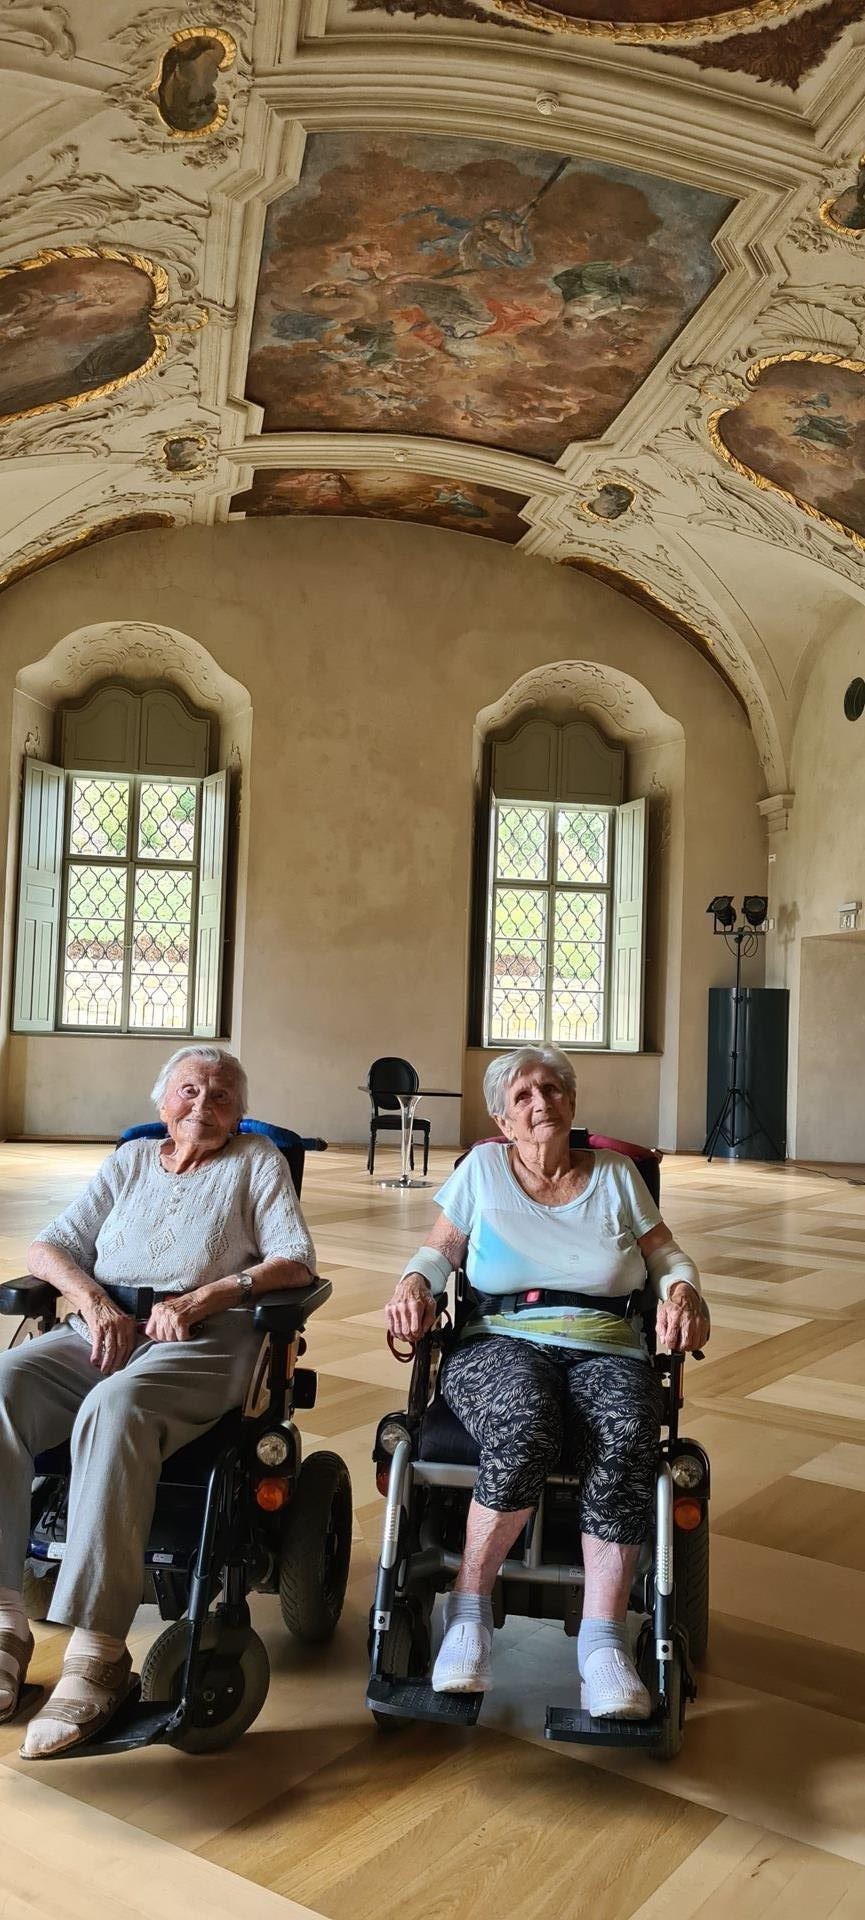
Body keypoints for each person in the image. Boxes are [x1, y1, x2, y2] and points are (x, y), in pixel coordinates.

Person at [0, 1046, 315, 1758]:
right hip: (102, 1328)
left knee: (116, 1407)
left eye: (222, 1096)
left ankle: (98, 1653)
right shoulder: (131, 1160)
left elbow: (295, 1258)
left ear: (240, 1113)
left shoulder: (256, 1161)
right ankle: (6, 1619)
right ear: (161, 1102)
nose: (203, 1105)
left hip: (205, 1341)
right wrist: (92, 1301)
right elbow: (50, 1247)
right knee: (3, 1386)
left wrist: (206, 1297)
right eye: (189, 1090)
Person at [385, 1045, 709, 1719]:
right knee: (525, 1419)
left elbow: (666, 1256)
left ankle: (601, 1642)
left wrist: (682, 1292)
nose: (541, 1102)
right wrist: (414, 1283)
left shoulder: (617, 1174)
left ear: (572, 1101)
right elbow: (439, 1251)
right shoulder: (481, 1170)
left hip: (606, 1341)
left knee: (628, 1430)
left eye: (553, 1089)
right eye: (523, 1095)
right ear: (503, 1121)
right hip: (498, 1339)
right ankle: (468, 1612)